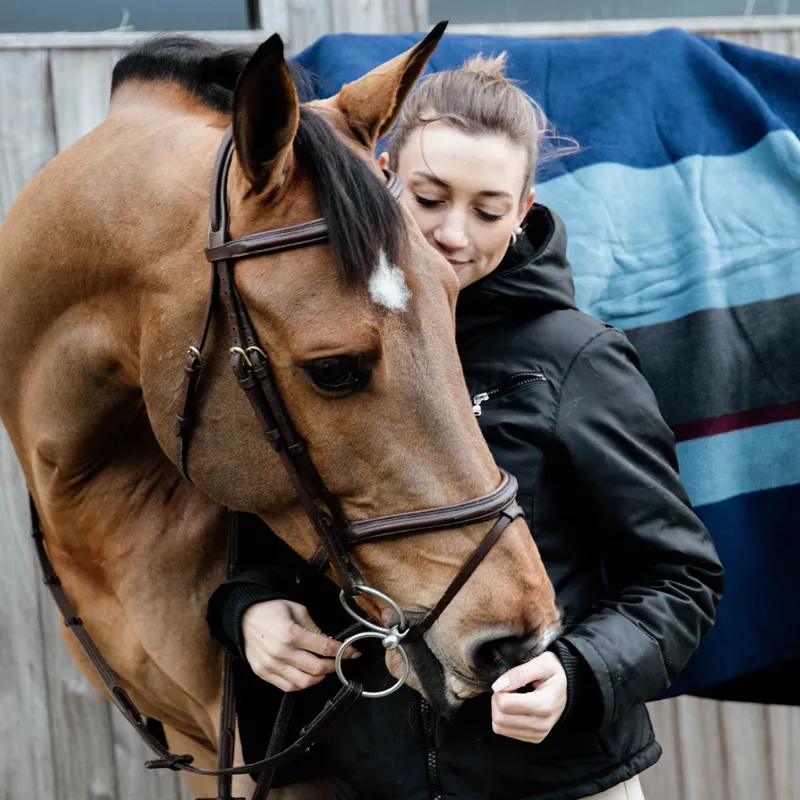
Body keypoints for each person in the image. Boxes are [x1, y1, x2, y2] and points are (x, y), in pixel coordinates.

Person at [207, 54, 724, 800]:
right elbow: (279, 526)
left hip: (558, 781)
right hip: (367, 781)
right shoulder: (336, 352)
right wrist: (248, 609)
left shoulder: (576, 359)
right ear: (381, 175)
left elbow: (680, 577)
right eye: (428, 197)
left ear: (522, 212)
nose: (453, 234)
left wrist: (577, 673)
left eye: (486, 210)